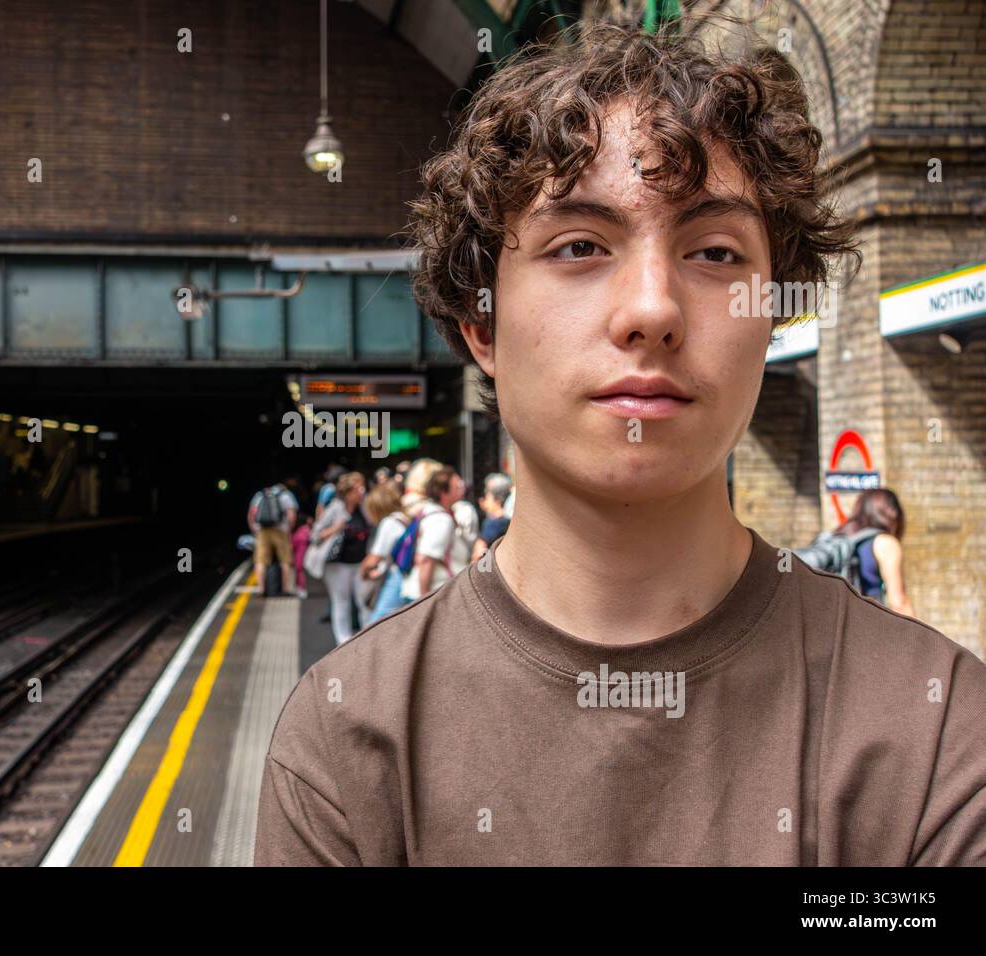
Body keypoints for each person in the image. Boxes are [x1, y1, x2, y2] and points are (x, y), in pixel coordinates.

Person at [256, 22, 986, 865]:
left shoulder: (937, 734)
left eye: (714, 251)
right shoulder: (347, 740)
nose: (652, 309)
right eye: (579, 246)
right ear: (481, 323)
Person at [308, 472, 369, 644]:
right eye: (359, 488)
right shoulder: (335, 508)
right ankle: (343, 641)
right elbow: (315, 535)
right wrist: (336, 528)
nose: (363, 492)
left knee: (364, 601)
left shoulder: (364, 508)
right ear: (349, 492)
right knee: (342, 602)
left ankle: (368, 637)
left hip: (360, 563)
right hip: (338, 565)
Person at [836, 488, 914, 617]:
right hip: (865, 626)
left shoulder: (839, 536)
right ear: (892, 514)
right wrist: (918, 636)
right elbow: (899, 603)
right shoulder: (885, 543)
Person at [400, 466, 469, 603]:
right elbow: (425, 560)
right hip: (430, 595)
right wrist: (425, 601)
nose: (462, 489)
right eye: (457, 486)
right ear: (443, 493)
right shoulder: (441, 520)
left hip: (430, 593)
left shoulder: (432, 512)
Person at [359, 481, 411, 623]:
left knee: (377, 624)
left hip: (396, 576)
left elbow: (375, 557)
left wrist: (363, 571)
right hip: (406, 575)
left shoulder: (389, 522)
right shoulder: (403, 517)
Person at [246, 482, 299, 596]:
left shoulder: (259, 495)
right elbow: (291, 515)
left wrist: (254, 530)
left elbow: (251, 515)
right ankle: (286, 589)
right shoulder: (285, 495)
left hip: (262, 531)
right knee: (285, 560)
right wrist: (289, 529)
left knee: (260, 560)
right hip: (281, 530)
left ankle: (261, 589)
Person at [472, 471, 513, 562]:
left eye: (487, 497)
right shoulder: (509, 519)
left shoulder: (493, 522)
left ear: (497, 500)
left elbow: (479, 551)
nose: (485, 501)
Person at [290, 514, 313, 599]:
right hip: (303, 555)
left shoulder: (299, 531)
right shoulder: (307, 530)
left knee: (299, 571)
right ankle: (299, 588)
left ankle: (301, 589)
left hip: (299, 556)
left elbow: (292, 544)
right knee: (299, 571)